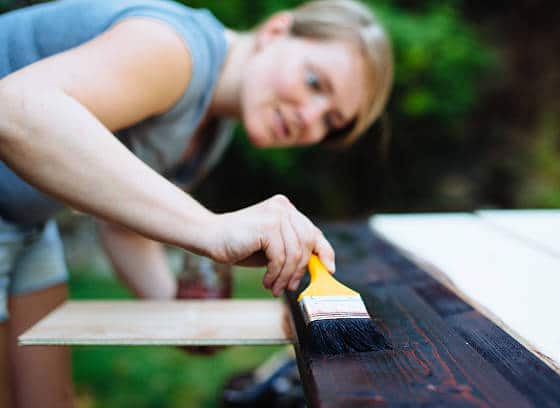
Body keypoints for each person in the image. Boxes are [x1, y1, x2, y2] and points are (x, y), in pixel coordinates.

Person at [0, 0, 393, 406]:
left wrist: (185, 317)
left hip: (25, 221)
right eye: (315, 82)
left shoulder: (213, 125)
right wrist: (211, 227)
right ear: (276, 31)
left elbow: (123, 226)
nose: (311, 117)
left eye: (331, 122)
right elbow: (15, 108)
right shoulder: (176, 47)